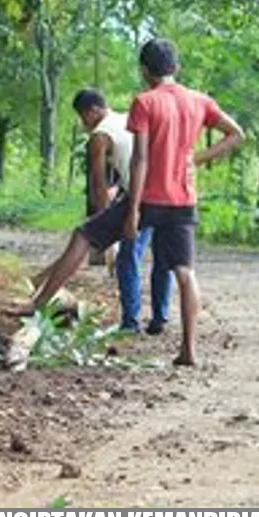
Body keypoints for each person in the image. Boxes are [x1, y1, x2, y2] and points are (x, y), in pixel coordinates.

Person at [9, 40, 244, 368]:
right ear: (176, 67)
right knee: (185, 272)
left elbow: (141, 161)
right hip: (183, 199)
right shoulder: (199, 101)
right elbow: (236, 134)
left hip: (148, 196)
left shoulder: (145, 102)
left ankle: (41, 302)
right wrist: (196, 159)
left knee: (83, 236)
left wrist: (132, 211)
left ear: (145, 70)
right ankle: (189, 350)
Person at [72, 88, 175, 334]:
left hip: (143, 197)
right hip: (166, 190)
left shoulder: (99, 134)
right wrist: (118, 187)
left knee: (127, 258)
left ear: (94, 110)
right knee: (163, 257)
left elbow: (98, 185)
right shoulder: (127, 118)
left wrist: (103, 224)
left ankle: (131, 322)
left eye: (82, 115)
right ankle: (160, 317)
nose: (83, 123)